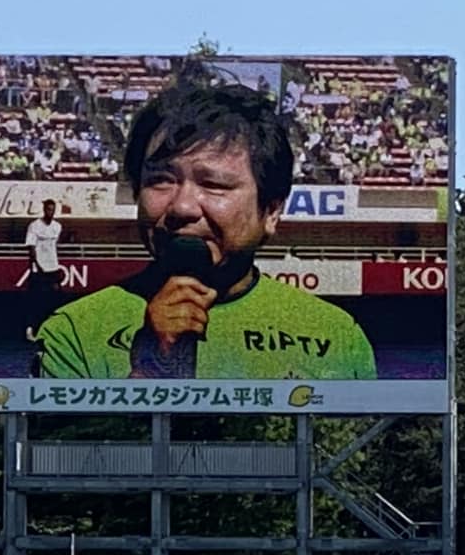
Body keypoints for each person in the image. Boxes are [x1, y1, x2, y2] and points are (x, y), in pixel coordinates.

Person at [36, 81, 377, 379]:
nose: (182, 207)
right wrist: (150, 370)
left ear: (271, 211)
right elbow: (66, 452)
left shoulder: (336, 338)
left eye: (213, 185)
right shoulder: (73, 333)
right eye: (161, 180)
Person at [25, 199, 63, 341]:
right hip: (38, 270)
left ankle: (49, 331)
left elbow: (54, 246)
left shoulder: (57, 226)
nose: (50, 212)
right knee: (35, 300)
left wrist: (56, 266)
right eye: (48, 209)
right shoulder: (34, 226)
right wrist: (38, 266)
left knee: (53, 301)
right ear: (44, 210)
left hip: (53, 269)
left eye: (52, 209)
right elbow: (31, 247)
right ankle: (30, 330)